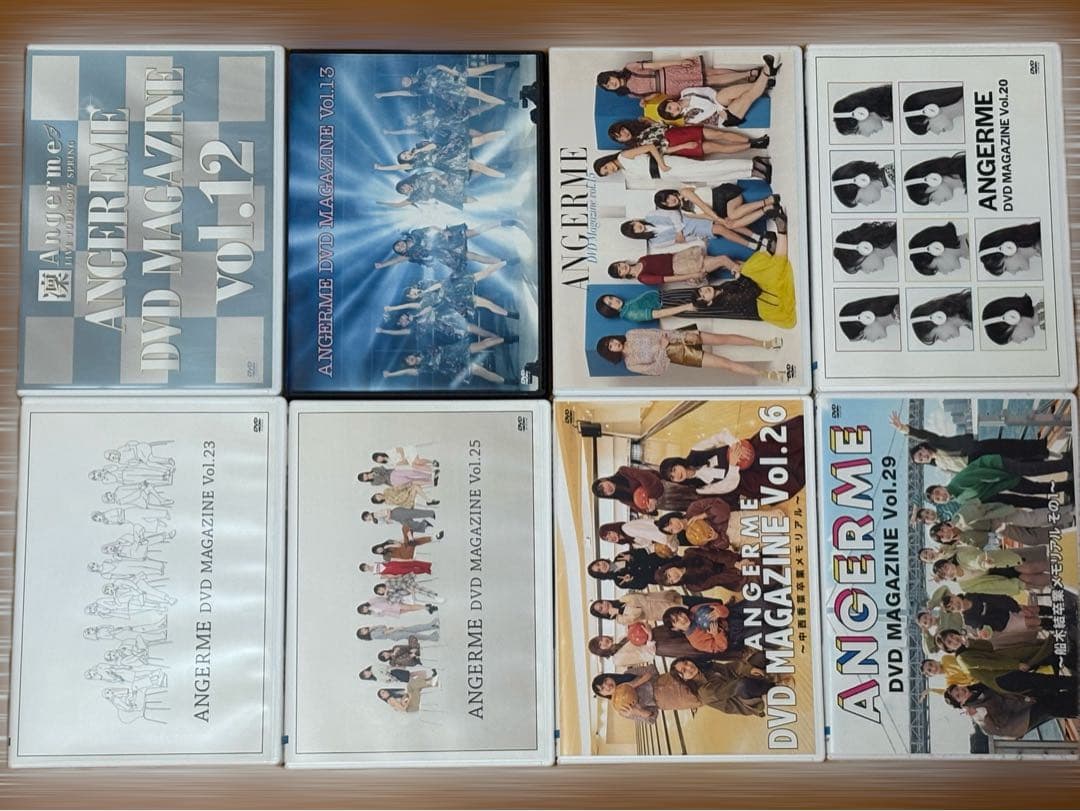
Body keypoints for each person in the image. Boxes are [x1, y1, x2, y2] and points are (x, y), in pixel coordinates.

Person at [658, 414, 806, 506]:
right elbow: (726, 487)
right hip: (744, 479)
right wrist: (733, 465)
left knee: (774, 442)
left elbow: (720, 436)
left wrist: (735, 445)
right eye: (672, 477)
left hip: (747, 454)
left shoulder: (696, 450)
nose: (677, 474)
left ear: (678, 462)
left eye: (674, 469)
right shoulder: (699, 488)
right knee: (788, 477)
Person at [889, 411, 1060, 474]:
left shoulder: (936, 443)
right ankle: (1045, 458)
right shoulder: (938, 464)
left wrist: (905, 429)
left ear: (922, 448)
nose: (923, 458)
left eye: (920, 454)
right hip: (977, 466)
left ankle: (1045, 449)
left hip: (976, 451)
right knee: (1013, 464)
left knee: (1012, 448)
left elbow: (924, 435)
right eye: (920, 460)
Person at [596, 328, 786, 382]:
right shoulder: (630, 364)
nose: (614, 344)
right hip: (678, 356)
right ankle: (768, 375)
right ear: (610, 353)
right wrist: (662, 349)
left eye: (611, 341)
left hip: (679, 337)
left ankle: (765, 344)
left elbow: (659, 333)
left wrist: (684, 335)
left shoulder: (630, 334)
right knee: (726, 364)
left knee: (722, 338)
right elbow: (657, 370)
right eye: (611, 347)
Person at [596, 55, 770, 99]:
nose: (612, 84)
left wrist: (678, 62)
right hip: (671, 88)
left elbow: (655, 65)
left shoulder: (629, 67)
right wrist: (646, 101)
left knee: (710, 73)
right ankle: (748, 77)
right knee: (711, 82)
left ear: (612, 75)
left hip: (669, 73)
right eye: (609, 86)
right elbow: (652, 95)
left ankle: (748, 74)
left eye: (610, 81)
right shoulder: (629, 93)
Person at [943, 682, 1076, 738]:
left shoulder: (977, 689)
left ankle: (1074, 701)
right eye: (958, 695)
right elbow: (992, 728)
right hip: (1017, 723)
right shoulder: (975, 711)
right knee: (1047, 708)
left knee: (1049, 698)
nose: (961, 691)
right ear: (961, 703)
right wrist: (979, 714)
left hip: (1019, 705)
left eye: (958, 689)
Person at [592, 146, 759, 190]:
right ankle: (750, 173)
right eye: (606, 173)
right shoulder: (627, 173)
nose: (609, 170)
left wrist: (662, 164)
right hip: (667, 175)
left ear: (607, 161)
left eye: (605, 167)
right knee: (709, 176)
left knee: (708, 167)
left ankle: (753, 164)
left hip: (667, 165)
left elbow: (650, 147)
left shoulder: (623, 156)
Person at [591, 664, 701, 723]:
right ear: (603, 695)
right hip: (671, 700)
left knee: (700, 675)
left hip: (669, 679)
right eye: (602, 688)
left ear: (609, 677)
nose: (607, 686)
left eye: (605, 681)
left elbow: (652, 668)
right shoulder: (622, 709)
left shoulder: (628, 674)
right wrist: (638, 711)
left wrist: (635, 683)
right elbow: (651, 718)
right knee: (702, 696)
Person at [669, 657, 779, 716]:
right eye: (684, 670)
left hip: (738, 680)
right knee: (743, 685)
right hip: (741, 699)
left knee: (760, 657)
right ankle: (772, 683)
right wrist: (753, 674)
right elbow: (734, 687)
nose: (689, 667)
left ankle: (764, 678)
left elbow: (730, 668)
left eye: (686, 663)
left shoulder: (705, 668)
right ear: (684, 678)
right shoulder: (705, 692)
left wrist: (749, 669)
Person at [607, 245, 735, 287]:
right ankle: (743, 270)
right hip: (682, 268)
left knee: (724, 262)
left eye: (619, 265)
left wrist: (685, 252)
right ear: (622, 276)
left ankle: (744, 268)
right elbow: (668, 279)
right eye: (619, 271)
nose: (622, 267)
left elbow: (666, 255)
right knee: (723, 260)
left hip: (680, 257)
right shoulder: (643, 278)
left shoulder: (642, 259)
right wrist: (693, 275)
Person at [654, 547, 752, 593]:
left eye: (669, 575)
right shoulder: (693, 586)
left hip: (730, 559)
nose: (674, 578)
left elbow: (715, 555)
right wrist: (738, 571)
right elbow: (717, 579)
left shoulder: (689, 553)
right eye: (672, 581)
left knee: (753, 560)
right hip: (733, 578)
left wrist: (735, 563)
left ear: (668, 568)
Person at [357, 619, 440, 642]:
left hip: (394, 631)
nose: (364, 630)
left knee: (414, 628)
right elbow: (385, 632)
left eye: (362, 629)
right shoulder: (373, 635)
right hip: (394, 634)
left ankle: (431, 626)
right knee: (414, 635)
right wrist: (397, 628)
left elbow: (384, 626)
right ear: (364, 635)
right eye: (362, 632)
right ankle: (432, 638)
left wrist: (373, 627)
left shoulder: (372, 631)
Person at [358, 560, 433, 577]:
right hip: (393, 571)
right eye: (365, 569)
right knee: (411, 570)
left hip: (393, 564)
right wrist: (395, 576)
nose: (366, 567)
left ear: (366, 564)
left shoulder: (375, 563)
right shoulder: (375, 573)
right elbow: (386, 576)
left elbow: (385, 562)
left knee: (411, 563)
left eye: (365, 566)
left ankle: (427, 565)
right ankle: (426, 570)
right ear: (365, 571)